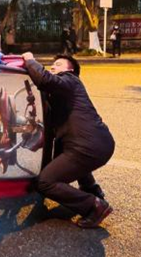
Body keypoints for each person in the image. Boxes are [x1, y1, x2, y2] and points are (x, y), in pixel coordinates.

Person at [22, 52, 115, 228]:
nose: (53, 67)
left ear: (70, 70)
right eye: (53, 64)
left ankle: (94, 206)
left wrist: (30, 60)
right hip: (97, 144)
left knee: (44, 182)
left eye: (58, 64)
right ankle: (92, 191)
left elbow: (45, 80)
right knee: (67, 160)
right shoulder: (63, 94)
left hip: (87, 146)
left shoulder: (70, 80)